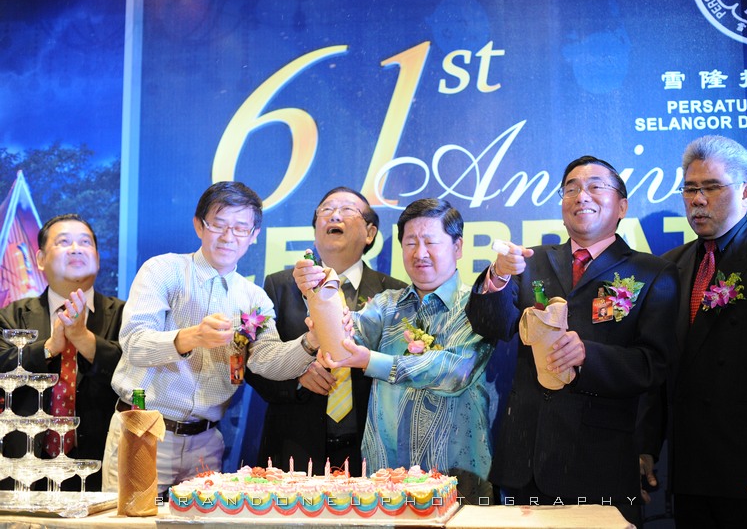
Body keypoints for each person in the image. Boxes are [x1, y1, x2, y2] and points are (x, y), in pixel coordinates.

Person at [465, 156, 679, 525]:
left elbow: (653, 365)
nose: (581, 196)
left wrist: (588, 356)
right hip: (526, 460)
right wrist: (497, 278)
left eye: (595, 186)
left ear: (622, 206)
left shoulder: (652, 272)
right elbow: (491, 326)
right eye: (571, 188)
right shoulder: (531, 261)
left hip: (600, 462)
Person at [102, 181, 318, 493]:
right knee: (132, 517)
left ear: (254, 235)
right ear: (199, 226)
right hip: (144, 430)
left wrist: (310, 342)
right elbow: (134, 344)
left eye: (240, 228)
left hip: (206, 443)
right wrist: (191, 337)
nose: (229, 236)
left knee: (199, 519)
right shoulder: (163, 270)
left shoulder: (254, 299)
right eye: (218, 224)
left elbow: (267, 361)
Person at [295, 198, 495, 504]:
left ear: (457, 247)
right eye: (410, 243)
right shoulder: (387, 304)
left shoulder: (478, 306)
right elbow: (346, 336)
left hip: (458, 475)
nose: (420, 253)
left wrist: (370, 361)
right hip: (385, 477)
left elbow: (454, 371)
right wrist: (320, 305)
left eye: (430, 242)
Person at [657, 135, 747, 527]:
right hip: (688, 468)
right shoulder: (671, 265)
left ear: (746, 192)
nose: (698, 200)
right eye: (690, 189)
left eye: (712, 187)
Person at [245, 187, 405, 476]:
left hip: (369, 450)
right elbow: (254, 366)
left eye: (347, 210)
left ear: (370, 233)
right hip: (295, 447)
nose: (334, 216)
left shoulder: (393, 293)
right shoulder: (280, 286)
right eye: (326, 210)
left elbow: (403, 368)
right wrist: (296, 376)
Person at [0, 214, 124, 491]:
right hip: (25, 470)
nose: (76, 249)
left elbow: (137, 374)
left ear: (97, 258)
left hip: (104, 469)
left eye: (85, 242)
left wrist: (84, 340)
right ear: (40, 259)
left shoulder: (124, 315)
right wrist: (48, 348)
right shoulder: (13, 316)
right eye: (64, 242)